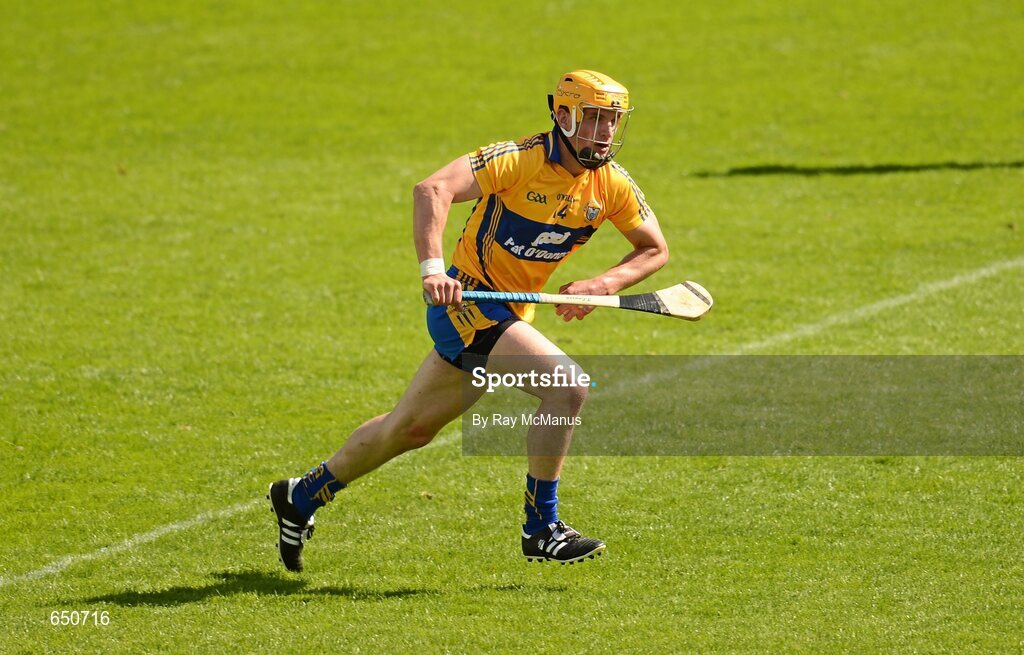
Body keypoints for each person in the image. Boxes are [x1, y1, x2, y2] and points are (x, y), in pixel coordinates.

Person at [268, 70, 669, 571]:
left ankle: (300, 496)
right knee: (567, 388)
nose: (605, 131)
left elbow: (653, 250)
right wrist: (433, 268)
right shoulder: (519, 159)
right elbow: (431, 189)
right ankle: (542, 527)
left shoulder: (611, 184)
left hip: (509, 311)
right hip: (465, 306)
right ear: (563, 116)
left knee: (408, 430)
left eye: (612, 120)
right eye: (593, 118)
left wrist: (602, 284)